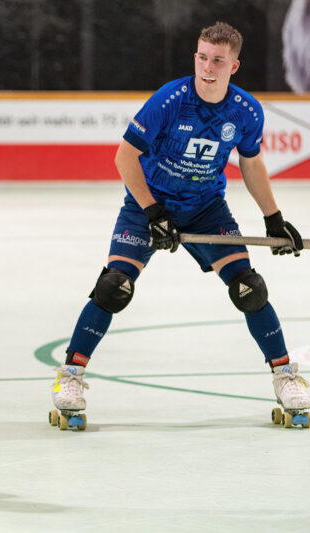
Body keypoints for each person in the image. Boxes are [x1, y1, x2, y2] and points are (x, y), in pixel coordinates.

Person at [52, 21, 310, 426]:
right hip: (148, 205)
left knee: (249, 289)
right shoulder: (170, 99)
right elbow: (124, 157)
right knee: (113, 287)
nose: (207, 67)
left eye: (218, 60)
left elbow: (251, 162)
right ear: (195, 57)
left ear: (234, 66)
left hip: (207, 209)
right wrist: (153, 213)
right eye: (202, 57)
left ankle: (286, 376)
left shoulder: (246, 111)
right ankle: (70, 376)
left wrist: (274, 219)